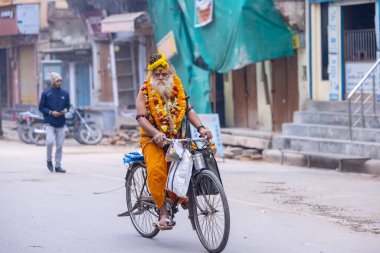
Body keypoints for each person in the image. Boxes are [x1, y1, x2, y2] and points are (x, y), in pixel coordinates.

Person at [135, 54, 213, 230]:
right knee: (157, 171)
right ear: (151, 76)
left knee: (186, 167)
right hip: (152, 139)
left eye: (164, 74)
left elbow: (189, 111)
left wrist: (201, 128)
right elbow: (141, 118)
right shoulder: (145, 91)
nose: (161, 77)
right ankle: (163, 213)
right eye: (157, 74)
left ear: (170, 74)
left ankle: (180, 196)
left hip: (176, 138)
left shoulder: (178, 88)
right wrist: (155, 133)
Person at [39, 72, 70, 173]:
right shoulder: (46, 93)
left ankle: (58, 165)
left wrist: (65, 110)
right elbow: (41, 107)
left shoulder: (65, 93)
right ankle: (49, 160)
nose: (59, 82)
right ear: (53, 82)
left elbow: (68, 106)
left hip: (61, 122)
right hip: (50, 122)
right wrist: (51, 112)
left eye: (60, 81)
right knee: (50, 141)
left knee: (60, 145)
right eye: (57, 81)